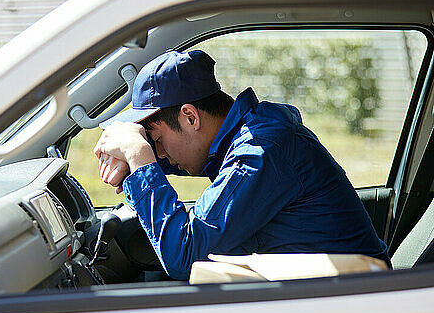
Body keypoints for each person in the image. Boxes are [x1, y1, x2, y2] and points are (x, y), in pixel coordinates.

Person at [94, 50, 390, 280]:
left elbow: (184, 255)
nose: (158, 154)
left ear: (190, 117)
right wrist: (136, 163)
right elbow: (180, 159)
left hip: (351, 306)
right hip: (332, 296)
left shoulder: (260, 151)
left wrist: (139, 158)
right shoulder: (250, 135)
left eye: (156, 140)